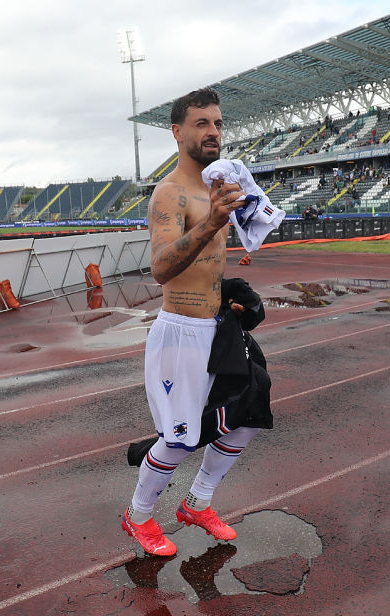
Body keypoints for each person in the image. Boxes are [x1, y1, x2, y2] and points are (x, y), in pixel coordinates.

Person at [121, 87, 265, 557]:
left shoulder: (219, 186)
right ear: (177, 131)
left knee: (246, 418)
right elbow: (161, 267)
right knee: (180, 441)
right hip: (179, 334)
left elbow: (212, 266)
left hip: (217, 329)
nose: (213, 132)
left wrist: (233, 300)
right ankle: (138, 516)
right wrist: (211, 223)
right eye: (202, 123)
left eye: (219, 123)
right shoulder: (170, 193)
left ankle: (197, 503)